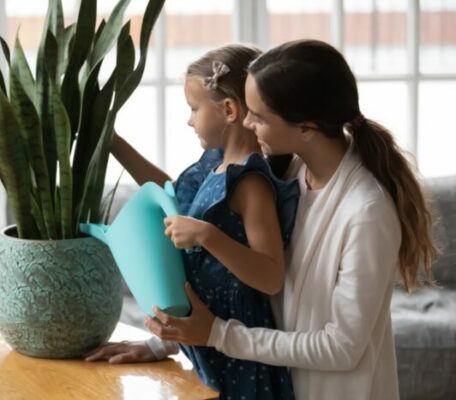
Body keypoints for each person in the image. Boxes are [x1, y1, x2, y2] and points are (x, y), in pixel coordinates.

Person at [139, 39, 439, 400]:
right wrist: (169, 343)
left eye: (259, 116)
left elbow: (341, 347)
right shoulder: (291, 173)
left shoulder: (367, 213)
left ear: (306, 127)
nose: (247, 123)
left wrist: (218, 334)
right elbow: (240, 291)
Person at [85, 44, 299, 399]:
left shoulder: (250, 182)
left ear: (228, 109)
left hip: (239, 355)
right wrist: (114, 143)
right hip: (205, 343)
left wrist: (208, 236)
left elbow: (271, 275)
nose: (189, 119)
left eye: (194, 108)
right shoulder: (215, 162)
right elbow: (167, 194)